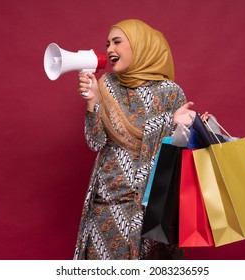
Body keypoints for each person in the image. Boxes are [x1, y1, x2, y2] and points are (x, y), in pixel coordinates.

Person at [73, 19, 205, 260]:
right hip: (109, 202)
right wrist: (92, 101)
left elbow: (179, 150)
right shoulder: (106, 86)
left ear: (139, 45)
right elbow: (96, 142)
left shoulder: (170, 91)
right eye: (107, 43)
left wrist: (191, 125)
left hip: (152, 206)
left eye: (117, 42)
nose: (110, 49)